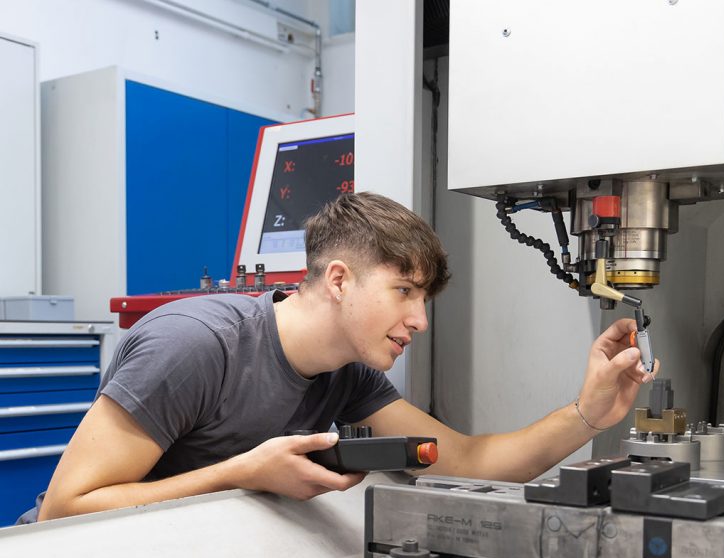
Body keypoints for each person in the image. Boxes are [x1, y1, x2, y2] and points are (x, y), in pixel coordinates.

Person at [37, 192, 657, 521]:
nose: (418, 319)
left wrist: (589, 413)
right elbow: (64, 510)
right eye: (405, 291)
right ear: (338, 280)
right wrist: (243, 471)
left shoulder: (345, 376)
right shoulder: (196, 346)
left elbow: (471, 460)